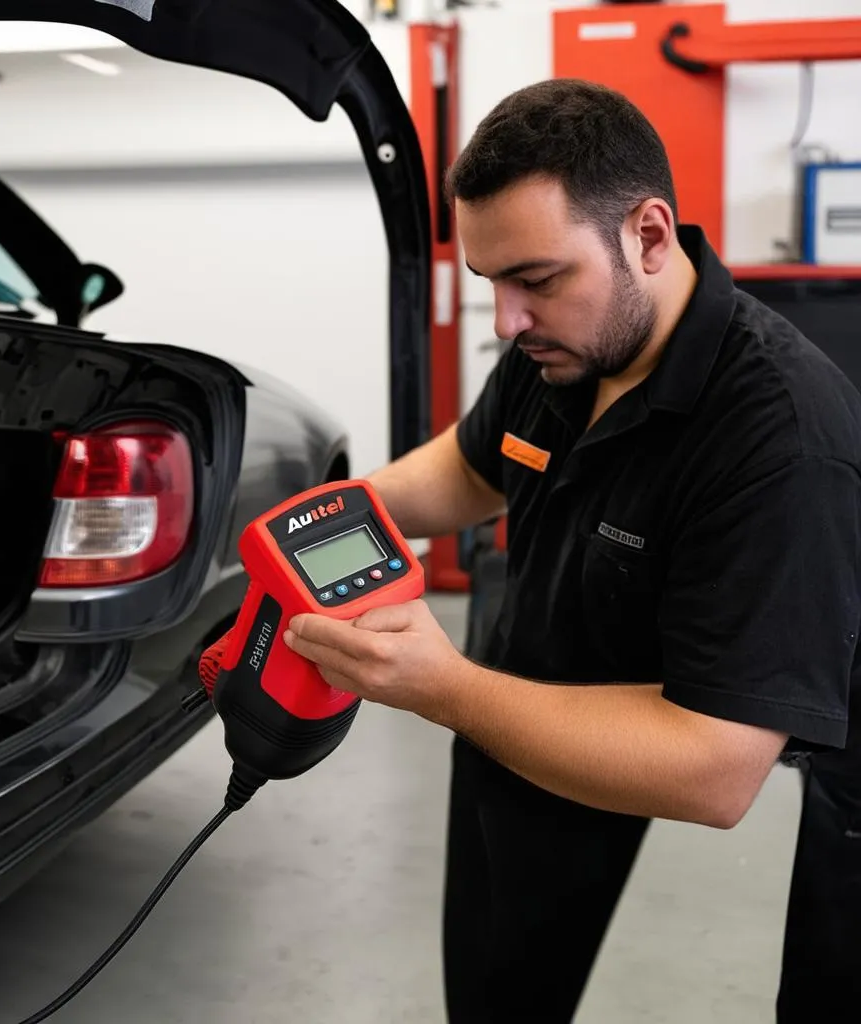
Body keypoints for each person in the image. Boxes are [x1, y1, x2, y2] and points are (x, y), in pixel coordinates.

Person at [283, 78, 861, 1022]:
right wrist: (330, 511)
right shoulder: (562, 348)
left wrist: (443, 686)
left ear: (647, 234)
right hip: (542, 686)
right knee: (497, 985)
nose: (507, 321)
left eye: (538, 281)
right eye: (492, 284)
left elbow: (715, 770)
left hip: (727, 722)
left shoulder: (781, 437)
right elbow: (472, 471)